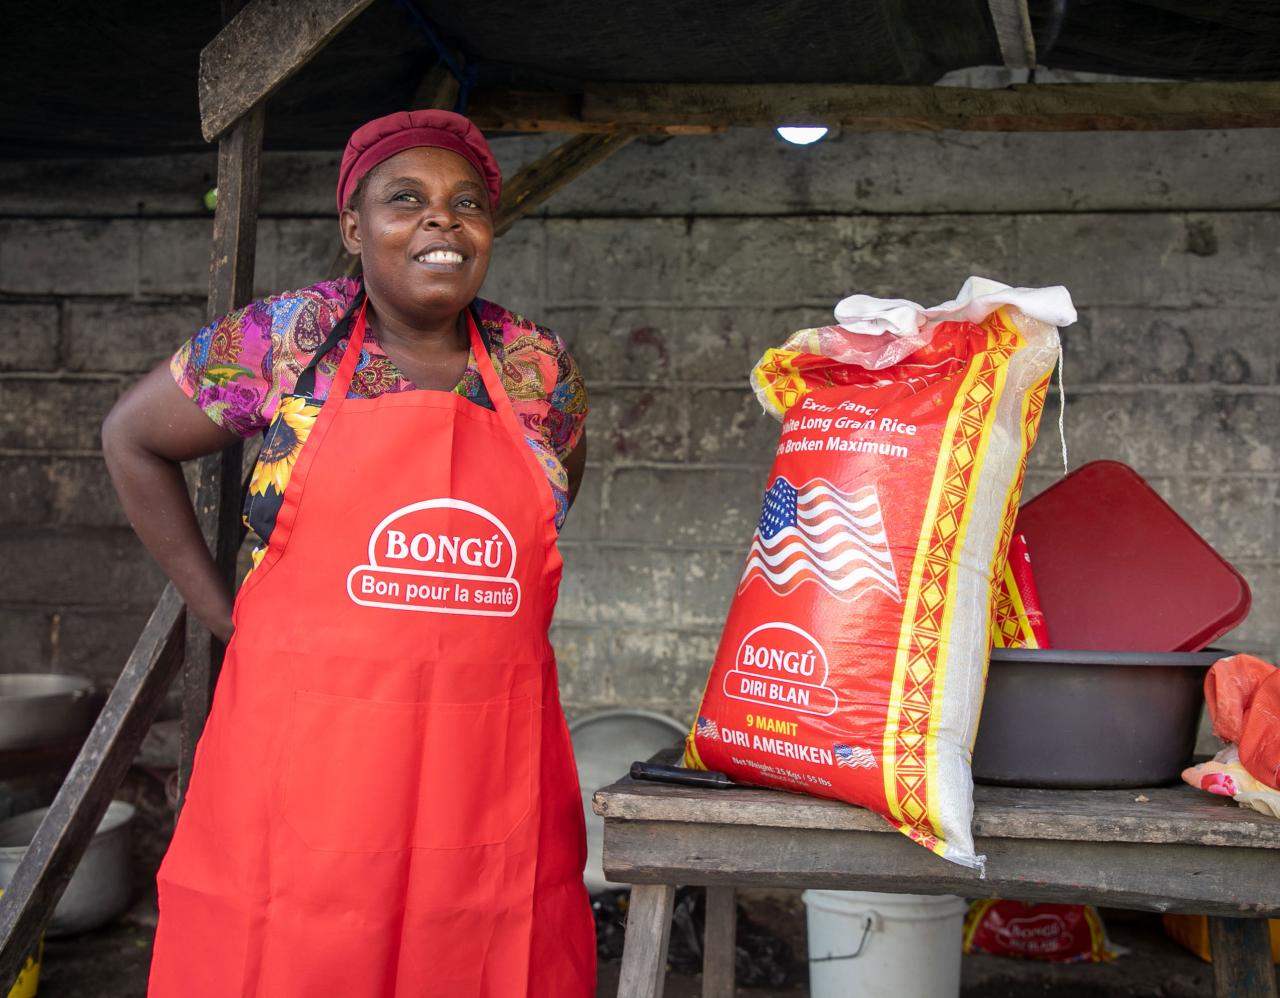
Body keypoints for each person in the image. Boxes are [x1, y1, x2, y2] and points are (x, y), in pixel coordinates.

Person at [102, 110, 595, 997]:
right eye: (405, 199)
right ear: (353, 227)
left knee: (477, 956)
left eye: (467, 203)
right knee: (288, 956)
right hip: (304, 762)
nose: (442, 221)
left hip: (482, 768)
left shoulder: (538, 368)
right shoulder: (288, 340)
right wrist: (224, 613)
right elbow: (132, 438)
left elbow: (546, 518)